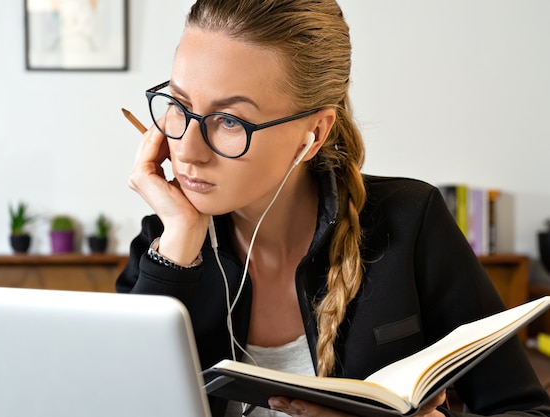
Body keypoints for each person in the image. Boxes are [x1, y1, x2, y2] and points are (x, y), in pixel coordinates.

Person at [116, 1, 550, 416]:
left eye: (230, 120)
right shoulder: (166, 241)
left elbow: (527, 408)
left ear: (314, 133)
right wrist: (174, 254)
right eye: (179, 105)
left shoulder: (411, 222)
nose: (187, 151)